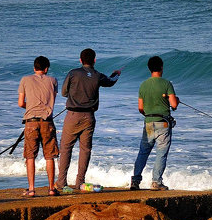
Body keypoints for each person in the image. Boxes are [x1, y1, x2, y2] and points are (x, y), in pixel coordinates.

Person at [57, 48, 120, 193]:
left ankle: (61, 182)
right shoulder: (98, 75)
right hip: (89, 117)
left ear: (80, 60)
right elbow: (110, 82)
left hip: (73, 115)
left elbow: (64, 93)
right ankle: (80, 182)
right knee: (85, 150)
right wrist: (116, 74)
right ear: (94, 60)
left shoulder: (73, 73)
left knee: (66, 148)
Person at [131, 56, 178, 191]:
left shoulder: (143, 85)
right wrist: (176, 102)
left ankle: (135, 181)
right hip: (163, 123)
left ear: (149, 69)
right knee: (161, 153)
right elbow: (173, 105)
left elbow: (140, 108)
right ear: (161, 67)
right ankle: (156, 182)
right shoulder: (166, 84)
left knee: (143, 153)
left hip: (148, 124)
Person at [19, 55, 60, 196]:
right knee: (50, 156)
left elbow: (20, 103)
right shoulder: (53, 80)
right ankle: (51, 188)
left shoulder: (25, 80)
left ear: (34, 68)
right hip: (47, 122)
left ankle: (31, 189)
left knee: (30, 156)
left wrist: (30, 107)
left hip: (30, 122)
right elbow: (53, 97)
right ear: (46, 69)